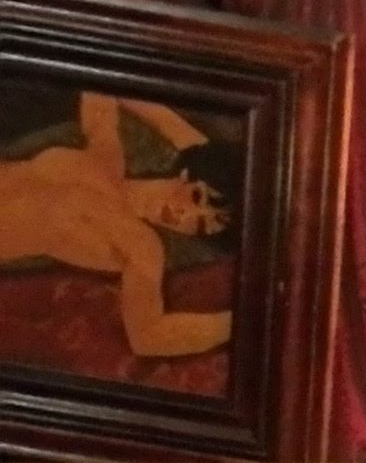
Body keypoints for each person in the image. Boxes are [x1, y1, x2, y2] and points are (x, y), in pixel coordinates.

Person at [0, 90, 232, 363]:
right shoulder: (106, 158)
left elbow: (149, 337)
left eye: (200, 224)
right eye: (196, 197)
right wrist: (189, 140)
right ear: (186, 175)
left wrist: (239, 322)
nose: (184, 215)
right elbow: (101, 86)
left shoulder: (141, 245)